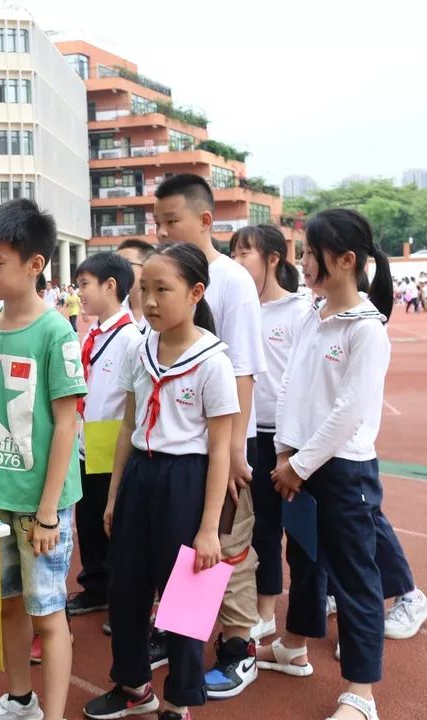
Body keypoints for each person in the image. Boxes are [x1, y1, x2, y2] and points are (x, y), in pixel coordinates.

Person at [85, 243, 237, 720]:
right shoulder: (140, 346)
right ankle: (132, 685)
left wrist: (209, 527)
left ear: (195, 292)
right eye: (144, 289)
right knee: (126, 588)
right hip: (139, 477)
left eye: (161, 290)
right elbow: (130, 424)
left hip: (186, 481)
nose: (149, 301)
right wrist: (114, 495)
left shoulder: (213, 361)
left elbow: (219, 452)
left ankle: (180, 699)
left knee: (185, 601)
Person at [264, 209, 394, 720]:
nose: (303, 261)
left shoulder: (366, 329)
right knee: (305, 559)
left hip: (342, 471)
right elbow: (292, 389)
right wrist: (284, 452)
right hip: (299, 460)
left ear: (345, 260)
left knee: (354, 578)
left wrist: (301, 464)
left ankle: (362, 695)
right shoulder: (311, 316)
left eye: (310, 252)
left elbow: (350, 411)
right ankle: (293, 646)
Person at [0, 200, 85, 720]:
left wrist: (50, 510)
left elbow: (67, 425)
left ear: (35, 265)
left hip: (40, 504)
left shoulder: (56, 333)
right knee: (9, 604)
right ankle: (20, 700)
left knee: (48, 614)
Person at [153, 174, 267, 698]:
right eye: (157, 224)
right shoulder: (167, 274)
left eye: (171, 221)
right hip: (181, 444)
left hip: (222, 441)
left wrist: (237, 450)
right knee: (192, 548)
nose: (162, 232)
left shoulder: (232, 280)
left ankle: (238, 648)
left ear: (205, 220)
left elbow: (243, 368)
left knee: (228, 542)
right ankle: (187, 643)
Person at [230, 225, 311, 644]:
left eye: (246, 253)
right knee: (259, 528)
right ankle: (264, 612)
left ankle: (308, 616)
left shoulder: (300, 311)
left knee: (300, 533)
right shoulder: (237, 309)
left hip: (289, 439)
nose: (239, 261)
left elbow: (303, 381)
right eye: (235, 253)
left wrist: (292, 447)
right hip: (247, 436)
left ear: (274, 259)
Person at [66, 253, 140, 618]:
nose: (79, 293)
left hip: (112, 440)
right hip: (89, 437)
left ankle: (120, 597)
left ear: (110, 286)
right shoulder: (95, 333)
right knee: (90, 519)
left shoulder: (130, 337)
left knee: (114, 523)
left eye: (84, 285)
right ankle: (96, 587)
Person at [116, 239, 155, 332]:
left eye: (126, 264)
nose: (116, 271)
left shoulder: (166, 311)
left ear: (148, 267)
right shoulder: (112, 313)